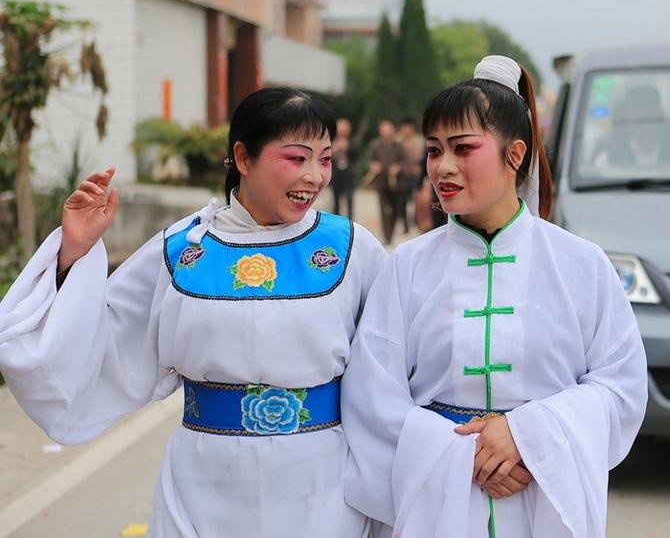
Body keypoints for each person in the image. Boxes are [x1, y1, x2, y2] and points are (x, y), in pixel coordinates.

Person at [0, 88, 386, 537]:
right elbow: (100, 339)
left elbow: (392, 367)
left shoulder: (352, 249)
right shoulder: (181, 249)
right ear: (243, 157)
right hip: (203, 482)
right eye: (297, 158)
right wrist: (74, 252)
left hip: (321, 484)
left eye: (324, 159)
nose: (315, 176)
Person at [342, 56, 648, 537]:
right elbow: (371, 398)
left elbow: (621, 388)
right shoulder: (406, 266)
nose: (443, 167)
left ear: (515, 154)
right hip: (438, 502)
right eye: (433, 150)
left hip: (543, 493)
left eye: (463, 149)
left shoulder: (582, 264)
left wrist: (528, 438)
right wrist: (465, 456)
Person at [592, 85, 670, 168]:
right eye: (637, 111)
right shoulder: (609, 157)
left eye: (649, 112)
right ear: (627, 117)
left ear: (659, 115)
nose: (644, 119)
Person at [367, 119, 405, 245]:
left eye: (387, 129)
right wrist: (374, 165)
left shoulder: (399, 146)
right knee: (384, 209)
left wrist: (398, 167)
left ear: (393, 130)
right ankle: (386, 236)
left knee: (395, 210)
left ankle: (391, 232)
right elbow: (371, 160)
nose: (385, 132)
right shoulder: (376, 145)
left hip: (396, 184)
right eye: (383, 129)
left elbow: (405, 162)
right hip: (381, 182)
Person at [397, 118, 422, 233]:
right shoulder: (397, 141)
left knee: (417, 198)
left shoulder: (419, 140)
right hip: (402, 175)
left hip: (415, 174)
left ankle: (417, 221)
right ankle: (405, 223)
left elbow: (422, 156)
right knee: (402, 200)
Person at [330, 116, 357, 219]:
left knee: (349, 199)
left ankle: (351, 220)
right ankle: (335, 220)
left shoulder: (353, 141)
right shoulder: (331, 140)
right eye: (340, 129)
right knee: (335, 199)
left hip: (349, 174)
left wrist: (348, 147)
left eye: (344, 129)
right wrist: (334, 149)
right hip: (336, 174)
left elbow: (356, 155)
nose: (342, 131)